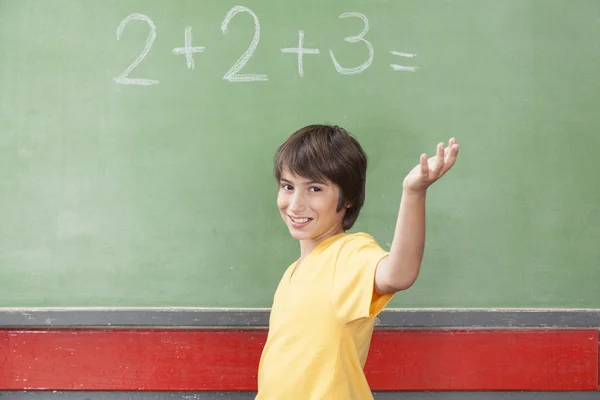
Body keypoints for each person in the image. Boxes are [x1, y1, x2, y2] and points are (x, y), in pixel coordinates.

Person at [255, 124, 460, 399]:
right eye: (287, 186)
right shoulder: (293, 273)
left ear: (348, 198)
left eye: (315, 189)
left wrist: (414, 193)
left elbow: (398, 275)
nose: (295, 204)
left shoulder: (349, 253)